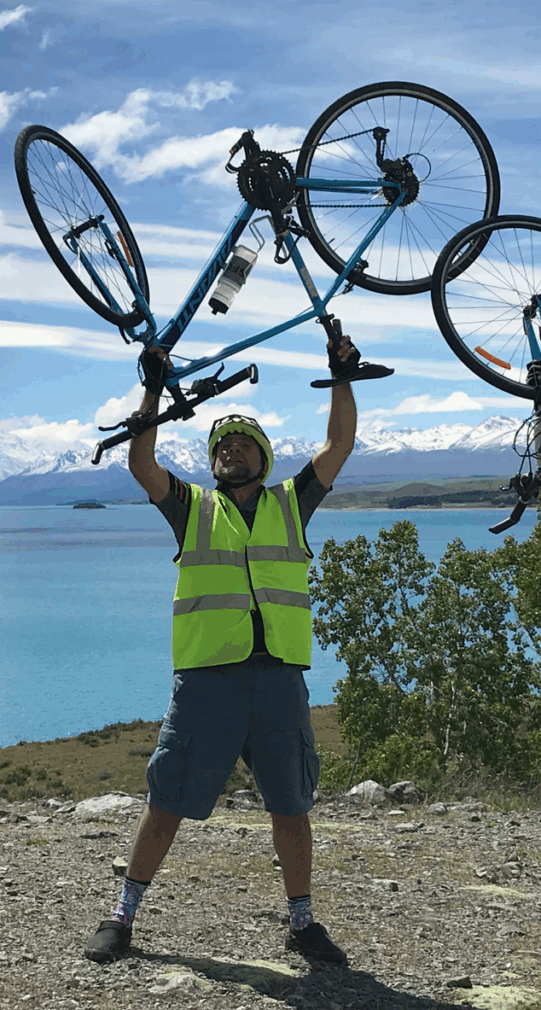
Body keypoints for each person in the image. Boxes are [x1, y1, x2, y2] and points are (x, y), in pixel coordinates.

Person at [83, 334, 362, 966]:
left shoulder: (293, 503)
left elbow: (338, 445)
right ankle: (122, 918)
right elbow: (141, 464)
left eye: (242, 443)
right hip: (208, 680)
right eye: (220, 445)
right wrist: (154, 386)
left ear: (262, 457)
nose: (229, 450)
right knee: (167, 800)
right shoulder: (191, 508)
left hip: (279, 681)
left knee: (290, 805)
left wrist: (340, 376)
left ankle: (302, 923)